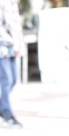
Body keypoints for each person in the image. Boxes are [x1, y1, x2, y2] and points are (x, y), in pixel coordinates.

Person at [0, 0, 23, 128]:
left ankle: (2, 105)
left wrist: (19, 43)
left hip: (13, 48)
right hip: (3, 47)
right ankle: (7, 113)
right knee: (7, 80)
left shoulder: (13, 2)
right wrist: (9, 40)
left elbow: (15, 25)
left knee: (13, 79)